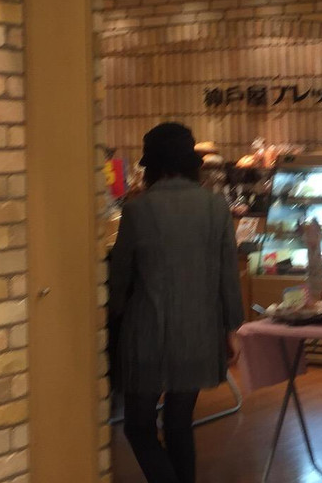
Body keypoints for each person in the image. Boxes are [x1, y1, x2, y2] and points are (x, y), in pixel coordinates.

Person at [109, 122, 244, 483]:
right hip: (199, 334)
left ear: (151, 165)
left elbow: (120, 279)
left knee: (138, 426)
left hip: (147, 335)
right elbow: (228, 276)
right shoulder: (216, 207)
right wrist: (232, 329)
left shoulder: (137, 210)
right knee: (179, 424)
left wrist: (112, 316)